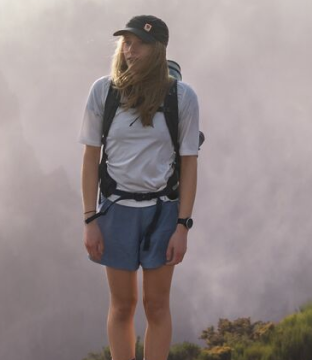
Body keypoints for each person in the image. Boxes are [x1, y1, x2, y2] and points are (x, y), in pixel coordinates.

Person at [79, 14, 200, 360]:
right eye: (126, 43)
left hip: (163, 213)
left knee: (157, 306)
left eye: (139, 44)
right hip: (115, 211)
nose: (129, 51)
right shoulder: (103, 91)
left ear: (158, 50)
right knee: (122, 306)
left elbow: (190, 164)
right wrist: (90, 219)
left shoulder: (183, 98)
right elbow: (90, 158)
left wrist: (183, 226)